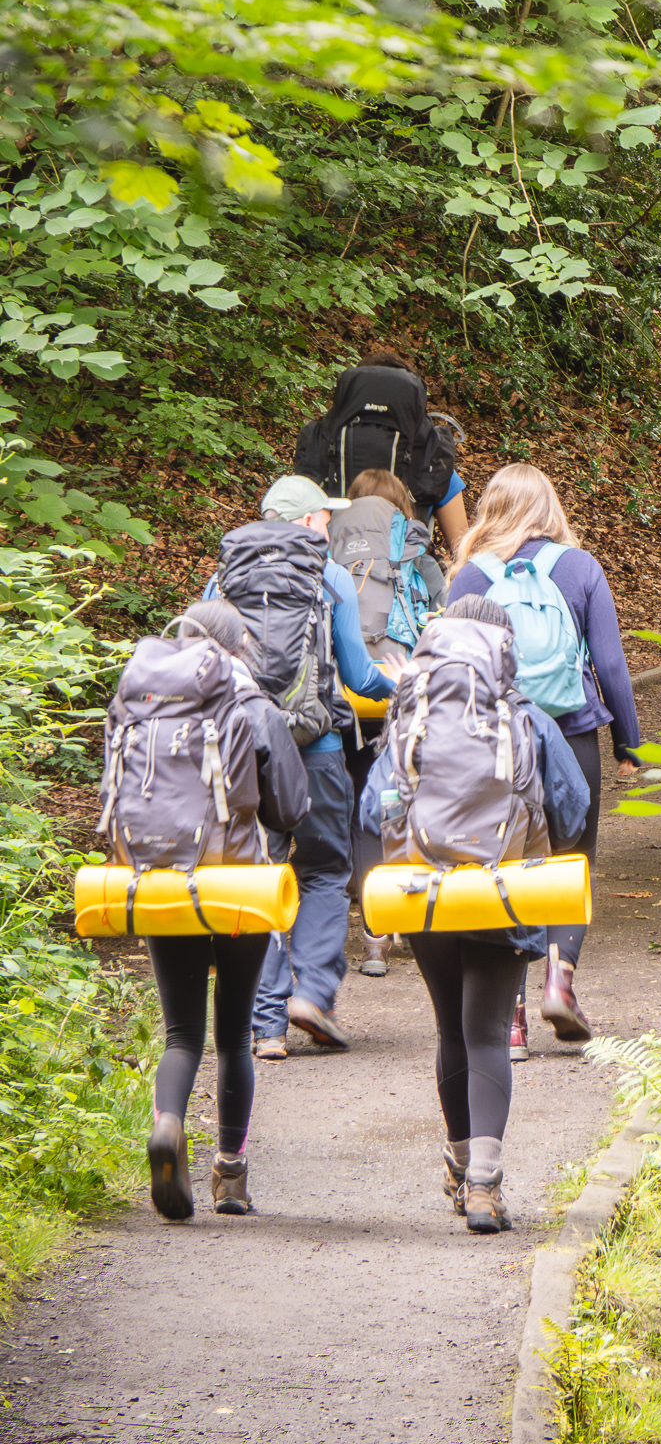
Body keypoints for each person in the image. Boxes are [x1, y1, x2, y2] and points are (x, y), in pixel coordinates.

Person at [359, 597, 590, 1232]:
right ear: (505, 650)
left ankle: (459, 1165)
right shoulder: (527, 718)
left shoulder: (411, 716)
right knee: (488, 1031)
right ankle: (486, 1186)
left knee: (451, 1031)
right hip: (504, 891)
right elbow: (574, 808)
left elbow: (372, 808)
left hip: (425, 894)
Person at [446, 464, 640, 1049]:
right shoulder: (579, 568)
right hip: (572, 734)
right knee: (572, 859)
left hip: (495, 744)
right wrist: (627, 741)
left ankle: (510, 1015)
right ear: (549, 507)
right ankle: (560, 979)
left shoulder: (469, 576)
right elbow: (610, 663)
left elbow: (452, 670)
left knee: (500, 862)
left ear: (489, 510)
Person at [208, 474, 396, 1056]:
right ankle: (312, 993)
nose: (329, 525)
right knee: (325, 870)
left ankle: (266, 1024)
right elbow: (359, 676)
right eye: (324, 517)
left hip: (244, 751)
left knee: (257, 877)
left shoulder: (224, 577)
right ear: (307, 521)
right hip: (315, 748)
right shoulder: (330, 576)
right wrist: (404, 685)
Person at [134, 600, 310, 1221]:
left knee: (182, 1033)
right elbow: (289, 809)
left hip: (162, 882)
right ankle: (230, 1174)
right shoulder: (253, 706)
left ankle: (168, 1124)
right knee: (234, 1033)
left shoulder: (145, 700)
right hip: (239, 885)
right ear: (238, 647)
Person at [333, 467, 440, 978]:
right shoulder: (417, 555)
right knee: (408, 801)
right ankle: (406, 920)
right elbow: (441, 620)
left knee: (362, 804)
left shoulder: (331, 554)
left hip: (347, 695)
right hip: (403, 693)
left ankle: (373, 937)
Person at [294, 347, 469, 556]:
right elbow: (462, 549)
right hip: (403, 570)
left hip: (329, 567)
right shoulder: (432, 460)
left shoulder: (321, 449)